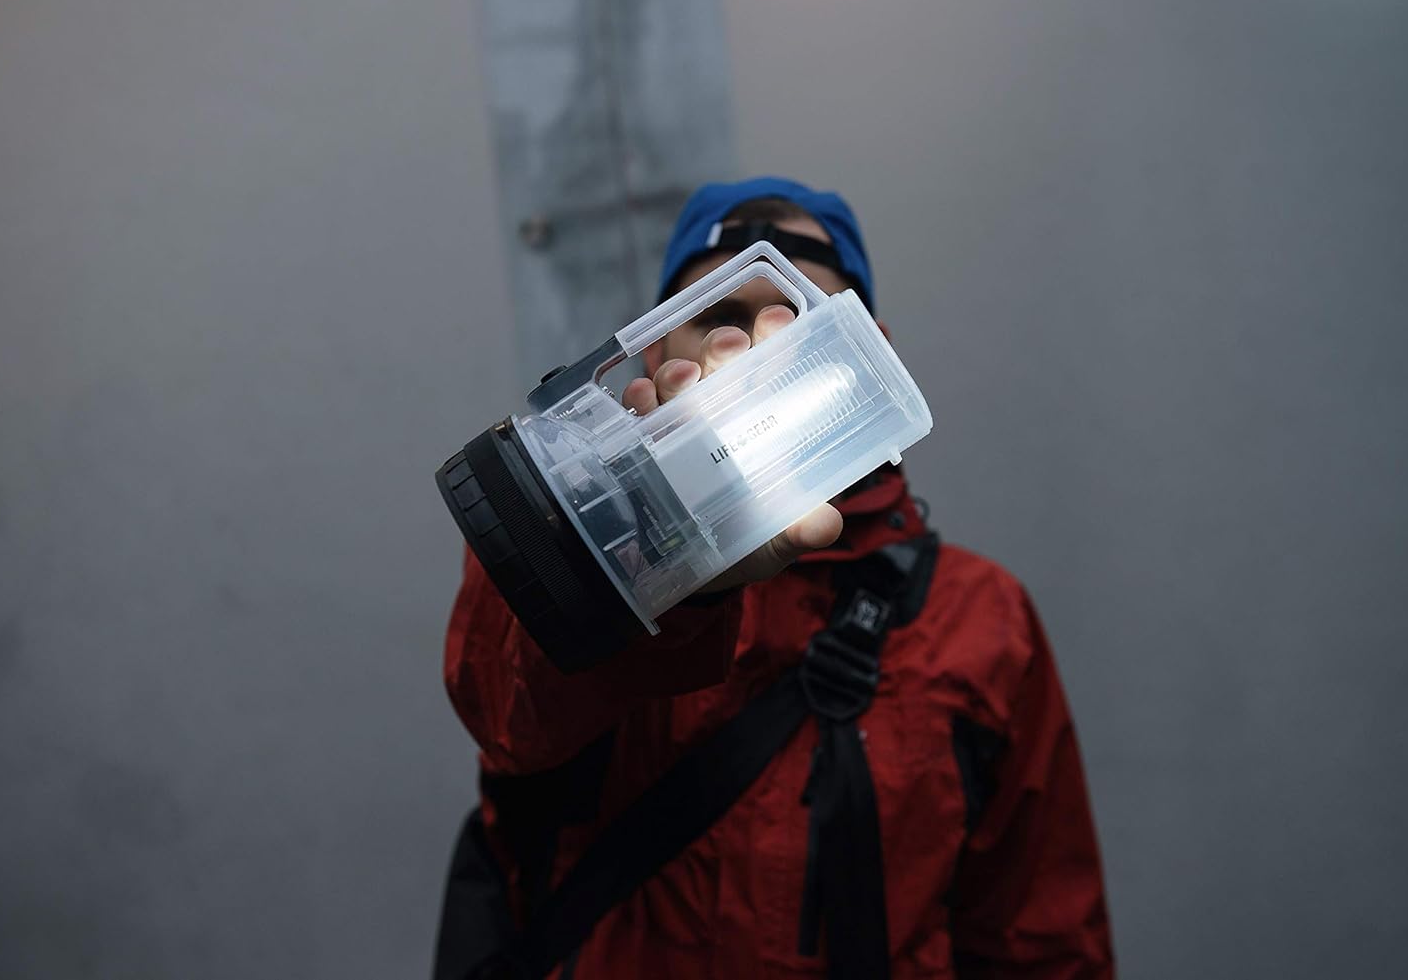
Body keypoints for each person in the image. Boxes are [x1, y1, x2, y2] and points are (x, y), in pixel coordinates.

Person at [439, 177, 1114, 978]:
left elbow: (1039, 940)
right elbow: (506, 714)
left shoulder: (978, 619)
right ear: (657, 352)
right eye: (721, 319)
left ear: (871, 361)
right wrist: (673, 568)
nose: (762, 354)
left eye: (804, 326)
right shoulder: (573, 541)